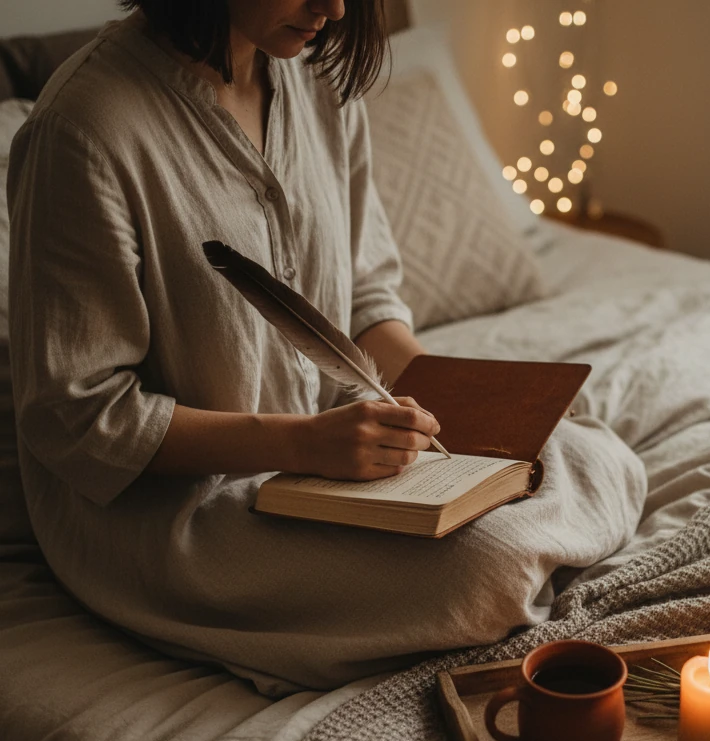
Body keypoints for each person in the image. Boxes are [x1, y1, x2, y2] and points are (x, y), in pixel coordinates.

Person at [7, 0, 646, 695]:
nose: (335, 8)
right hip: (184, 507)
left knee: (592, 455)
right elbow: (79, 416)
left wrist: (456, 395)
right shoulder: (86, 128)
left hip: (334, 454)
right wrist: (303, 446)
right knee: (485, 568)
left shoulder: (321, 80)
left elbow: (366, 300)